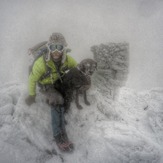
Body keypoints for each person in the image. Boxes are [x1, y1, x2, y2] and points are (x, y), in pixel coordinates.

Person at [25, 33, 77, 152]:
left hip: (59, 82)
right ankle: (58, 136)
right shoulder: (41, 63)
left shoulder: (67, 59)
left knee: (67, 97)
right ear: (49, 48)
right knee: (57, 100)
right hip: (46, 85)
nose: (56, 51)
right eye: (53, 47)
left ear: (64, 48)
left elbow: (77, 68)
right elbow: (32, 79)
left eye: (59, 47)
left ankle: (63, 122)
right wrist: (32, 95)